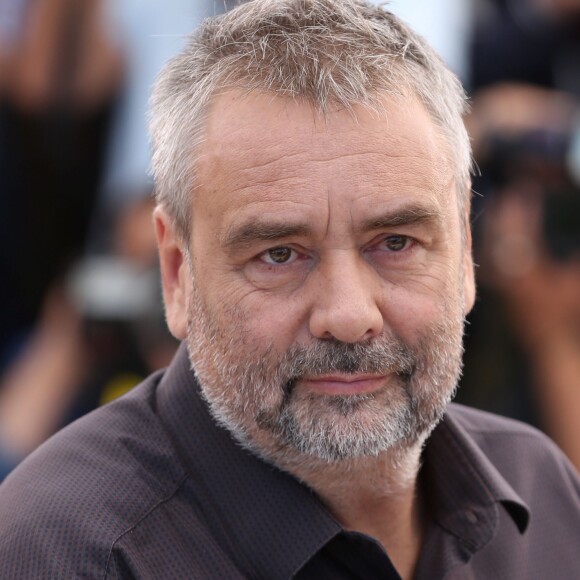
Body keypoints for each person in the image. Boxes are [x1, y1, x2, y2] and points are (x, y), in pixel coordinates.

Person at [0, 1, 579, 578]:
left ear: (465, 255)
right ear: (176, 273)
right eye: (279, 255)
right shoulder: (62, 553)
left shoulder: (544, 495)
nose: (349, 315)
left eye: (396, 243)